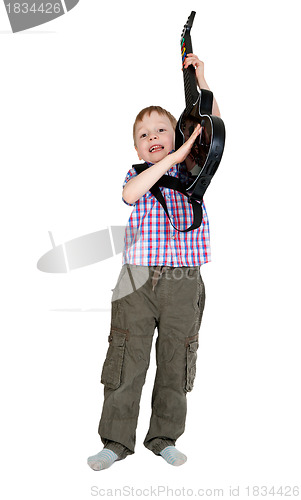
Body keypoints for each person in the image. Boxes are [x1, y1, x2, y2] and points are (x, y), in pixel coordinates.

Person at [87, 54, 221, 470]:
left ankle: (163, 437)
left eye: (162, 129)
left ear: (180, 134)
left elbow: (217, 133)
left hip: (183, 281)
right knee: (126, 356)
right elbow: (130, 196)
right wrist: (171, 157)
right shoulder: (137, 177)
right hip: (137, 280)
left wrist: (202, 80)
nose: (154, 137)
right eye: (144, 135)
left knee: (176, 358)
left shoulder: (194, 172)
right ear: (137, 147)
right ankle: (115, 441)